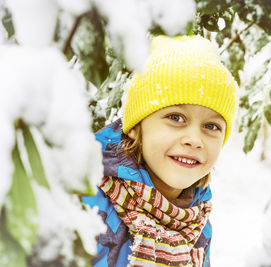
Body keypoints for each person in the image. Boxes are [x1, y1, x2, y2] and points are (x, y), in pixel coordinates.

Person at [82, 35, 238, 267]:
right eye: (176, 117)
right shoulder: (89, 205)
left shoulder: (197, 226)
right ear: (135, 127)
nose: (194, 140)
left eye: (211, 126)